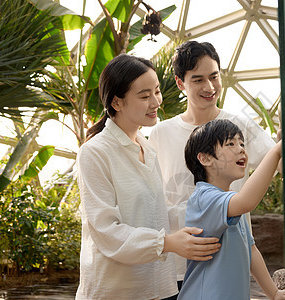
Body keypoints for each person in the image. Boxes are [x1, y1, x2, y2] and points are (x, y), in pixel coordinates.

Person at [75, 54, 221, 300]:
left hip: (156, 288)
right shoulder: (95, 152)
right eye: (144, 96)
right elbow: (107, 232)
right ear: (117, 102)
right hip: (115, 291)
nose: (155, 102)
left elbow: (157, 215)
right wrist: (167, 243)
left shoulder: (146, 148)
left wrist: (212, 204)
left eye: (156, 91)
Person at [147, 41, 277, 285]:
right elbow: (153, 201)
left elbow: (280, 162)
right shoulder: (160, 134)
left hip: (230, 264)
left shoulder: (240, 126)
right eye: (197, 80)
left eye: (214, 76)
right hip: (175, 269)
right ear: (180, 83)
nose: (209, 87)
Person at [178, 119, 285, 300]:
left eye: (242, 143)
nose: (241, 148)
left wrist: (274, 293)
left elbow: (251, 251)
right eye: (230, 143)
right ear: (205, 158)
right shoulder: (204, 198)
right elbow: (247, 201)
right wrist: (276, 151)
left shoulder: (230, 202)